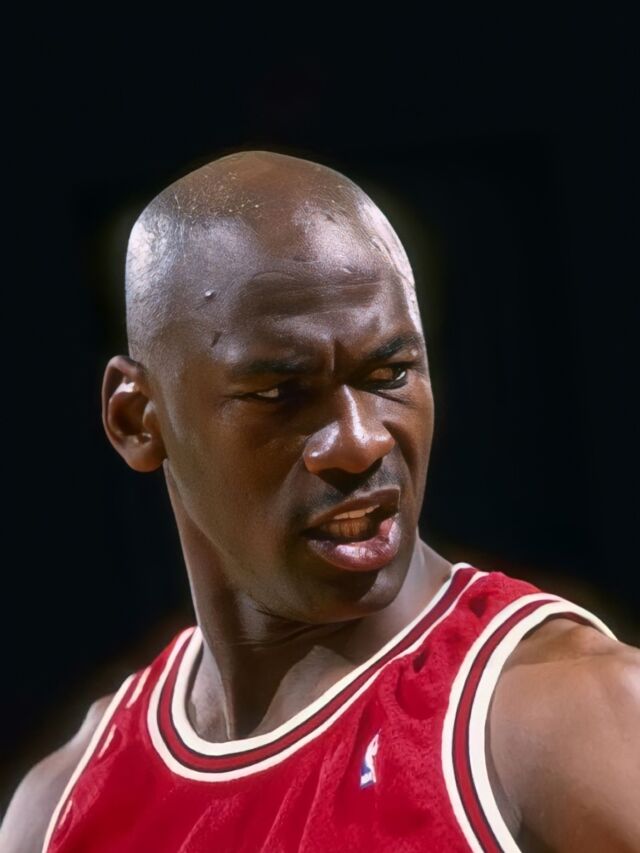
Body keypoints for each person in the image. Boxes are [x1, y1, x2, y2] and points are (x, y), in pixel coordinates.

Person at [1, 151, 638, 853]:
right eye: (280, 393)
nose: (361, 442)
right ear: (137, 420)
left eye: (390, 373)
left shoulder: (569, 718)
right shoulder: (58, 809)